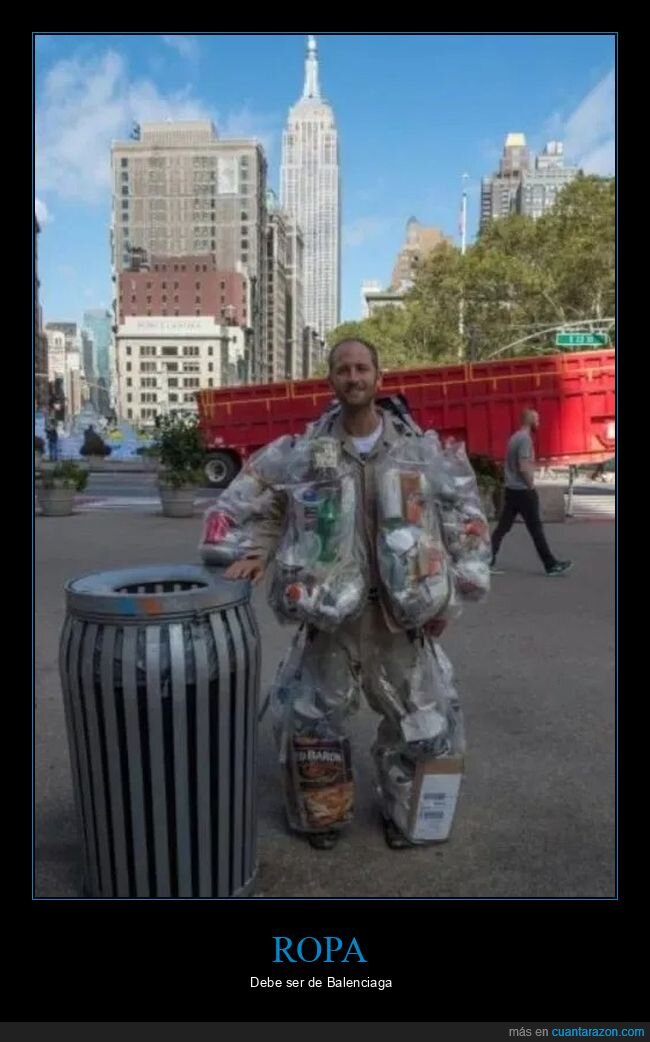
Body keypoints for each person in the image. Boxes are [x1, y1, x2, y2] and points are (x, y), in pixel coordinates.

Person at [224, 338, 468, 851]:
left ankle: (404, 814)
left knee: (418, 721)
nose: (353, 377)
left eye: (361, 369)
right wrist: (259, 554)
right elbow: (275, 509)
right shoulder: (309, 451)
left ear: (380, 377)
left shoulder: (413, 449)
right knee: (314, 719)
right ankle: (323, 813)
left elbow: (444, 522)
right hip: (330, 612)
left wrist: (441, 599)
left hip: (398, 617)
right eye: (342, 370)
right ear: (331, 380)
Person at [490, 409, 572, 577]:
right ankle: (550, 565)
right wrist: (531, 485)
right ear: (531, 421)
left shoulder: (514, 437)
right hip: (523, 491)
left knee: (502, 528)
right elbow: (523, 465)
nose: (539, 424)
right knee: (536, 529)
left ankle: (486, 559)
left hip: (511, 489)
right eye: (537, 420)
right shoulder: (525, 440)